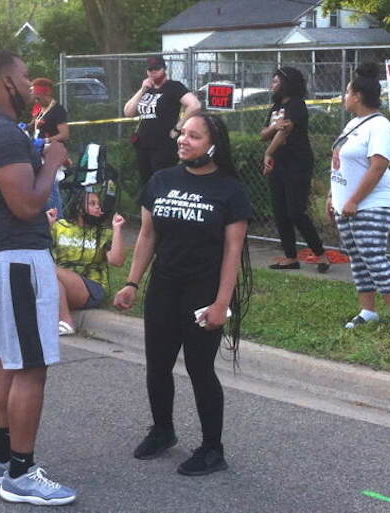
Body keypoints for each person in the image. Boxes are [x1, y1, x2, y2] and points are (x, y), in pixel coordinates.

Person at [0, 50, 77, 505]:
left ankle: (1, 463)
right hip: (15, 257)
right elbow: (28, 205)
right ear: (8, 83)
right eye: (25, 76)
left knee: (5, 360)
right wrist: (52, 160)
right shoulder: (1, 134)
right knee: (30, 365)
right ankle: (21, 473)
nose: (32, 82)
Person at [114, 112, 252, 476]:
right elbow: (147, 236)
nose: (182, 140)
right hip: (164, 286)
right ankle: (162, 430)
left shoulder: (230, 190)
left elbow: (232, 252)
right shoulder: (161, 181)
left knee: (199, 368)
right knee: (157, 364)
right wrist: (132, 282)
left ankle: (212, 449)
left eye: (193, 135)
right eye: (181, 133)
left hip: (203, 292)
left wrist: (222, 303)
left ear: (212, 144)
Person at [327, 63, 390, 338]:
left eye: (347, 92)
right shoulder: (354, 123)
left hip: (373, 202)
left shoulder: (380, 126)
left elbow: (378, 167)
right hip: (347, 203)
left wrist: (353, 200)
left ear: (358, 96)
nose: (344, 97)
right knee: (357, 257)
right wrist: (334, 196)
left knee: (373, 256)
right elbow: (341, 164)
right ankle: (368, 311)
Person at [261, 67, 330, 273]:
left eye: (275, 82)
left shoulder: (296, 105)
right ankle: (290, 257)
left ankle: (321, 254)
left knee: (295, 212)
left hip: (297, 163)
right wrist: (274, 128)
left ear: (286, 84)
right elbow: (265, 133)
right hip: (279, 165)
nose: (272, 85)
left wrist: (268, 154)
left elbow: (284, 133)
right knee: (280, 212)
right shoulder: (276, 106)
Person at [47, 190, 125, 336]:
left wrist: (117, 229)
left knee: (48, 270)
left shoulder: (102, 233)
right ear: (78, 207)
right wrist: (48, 225)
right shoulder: (61, 227)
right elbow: (39, 249)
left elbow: (117, 261)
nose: (98, 208)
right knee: (47, 274)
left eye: (99, 205)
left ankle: (66, 321)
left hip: (92, 288)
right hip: (62, 283)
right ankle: (61, 322)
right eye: (92, 203)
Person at [123, 55, 201, 186]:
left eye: (157, 69)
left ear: (164, 69)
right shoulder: (147, 89)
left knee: (162, 183)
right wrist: (142, 91)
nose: (153, 72)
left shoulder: (174, 87)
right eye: (150, 69)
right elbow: (128, 112)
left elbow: (195, 105)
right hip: (143, 144)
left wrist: (178, 128)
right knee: (146, 184)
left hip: (163, 145)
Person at [31, 77, 69, 215]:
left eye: (38, 97)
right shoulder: (39, 108)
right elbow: (35, 123)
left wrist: (46, 140)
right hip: (38, 152)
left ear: (46, 94)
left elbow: (64, 134)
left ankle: (58, 219)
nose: (36, 101)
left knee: (52, 188)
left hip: (52, 154)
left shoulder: (58, 110)